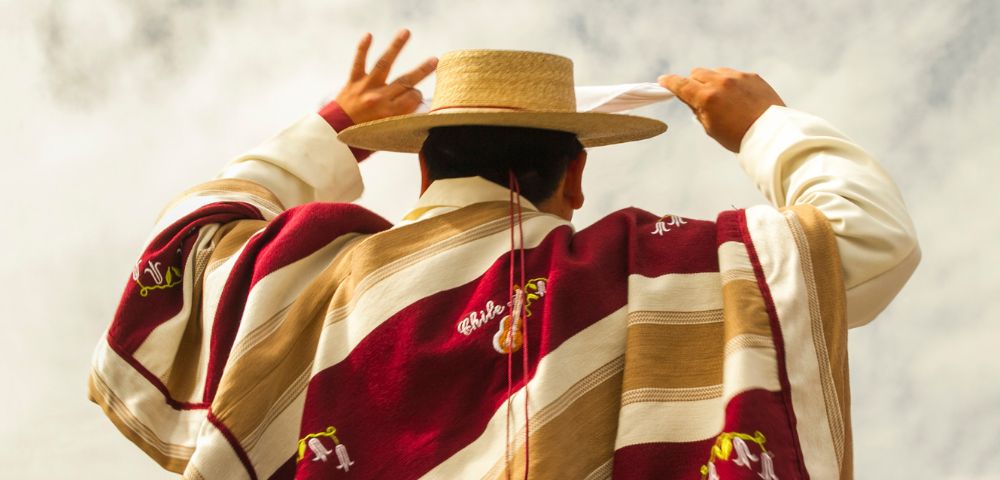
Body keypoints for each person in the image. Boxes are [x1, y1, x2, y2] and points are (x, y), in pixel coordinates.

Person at [89, 29, 919, 479]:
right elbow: (868, 237)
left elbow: (182, 251)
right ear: (578, 174)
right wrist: (763, 123)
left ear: (420, 164)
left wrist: (331, 129)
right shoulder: (648, 272)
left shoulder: (305, 280)